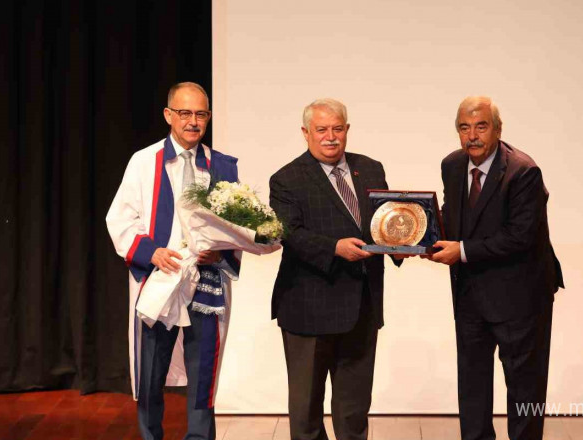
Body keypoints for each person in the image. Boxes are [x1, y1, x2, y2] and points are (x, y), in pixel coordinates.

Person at [106, 82, 241, 440]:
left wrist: (222, 248)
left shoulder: (222, 166)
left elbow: (239, 225)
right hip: (160, 278)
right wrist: (152, 252)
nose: (192, 121)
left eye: (200, 114)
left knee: (203, 372)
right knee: (150, 372)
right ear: (169, 115)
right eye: (184, 113)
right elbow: (119, 219)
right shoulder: (143, 161)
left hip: (206, 280)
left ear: (208, 117)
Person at [427, 96, 564, 440]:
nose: (472, 135)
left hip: (521, 296)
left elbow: (520, 237)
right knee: (472, 384)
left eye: (481, 126)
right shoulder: (452, 165)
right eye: (464, 127)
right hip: (470, 293)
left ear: (498, 129)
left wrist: (461, 251)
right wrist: (416, 234)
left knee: (524, 388)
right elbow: (454, 219)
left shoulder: (523, 171)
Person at [269, 98, 401, 440]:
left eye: (337, 129)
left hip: (362, 308)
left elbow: (385, 223)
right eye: (322, 130)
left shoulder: (370, 168)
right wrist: (335, 248)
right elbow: (290, 234)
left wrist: (406, 241)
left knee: (354, 411)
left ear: (347, 130)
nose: (331, 137)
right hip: (308, 309)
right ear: (306, 133)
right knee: (306, 412)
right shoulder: (287, 179)